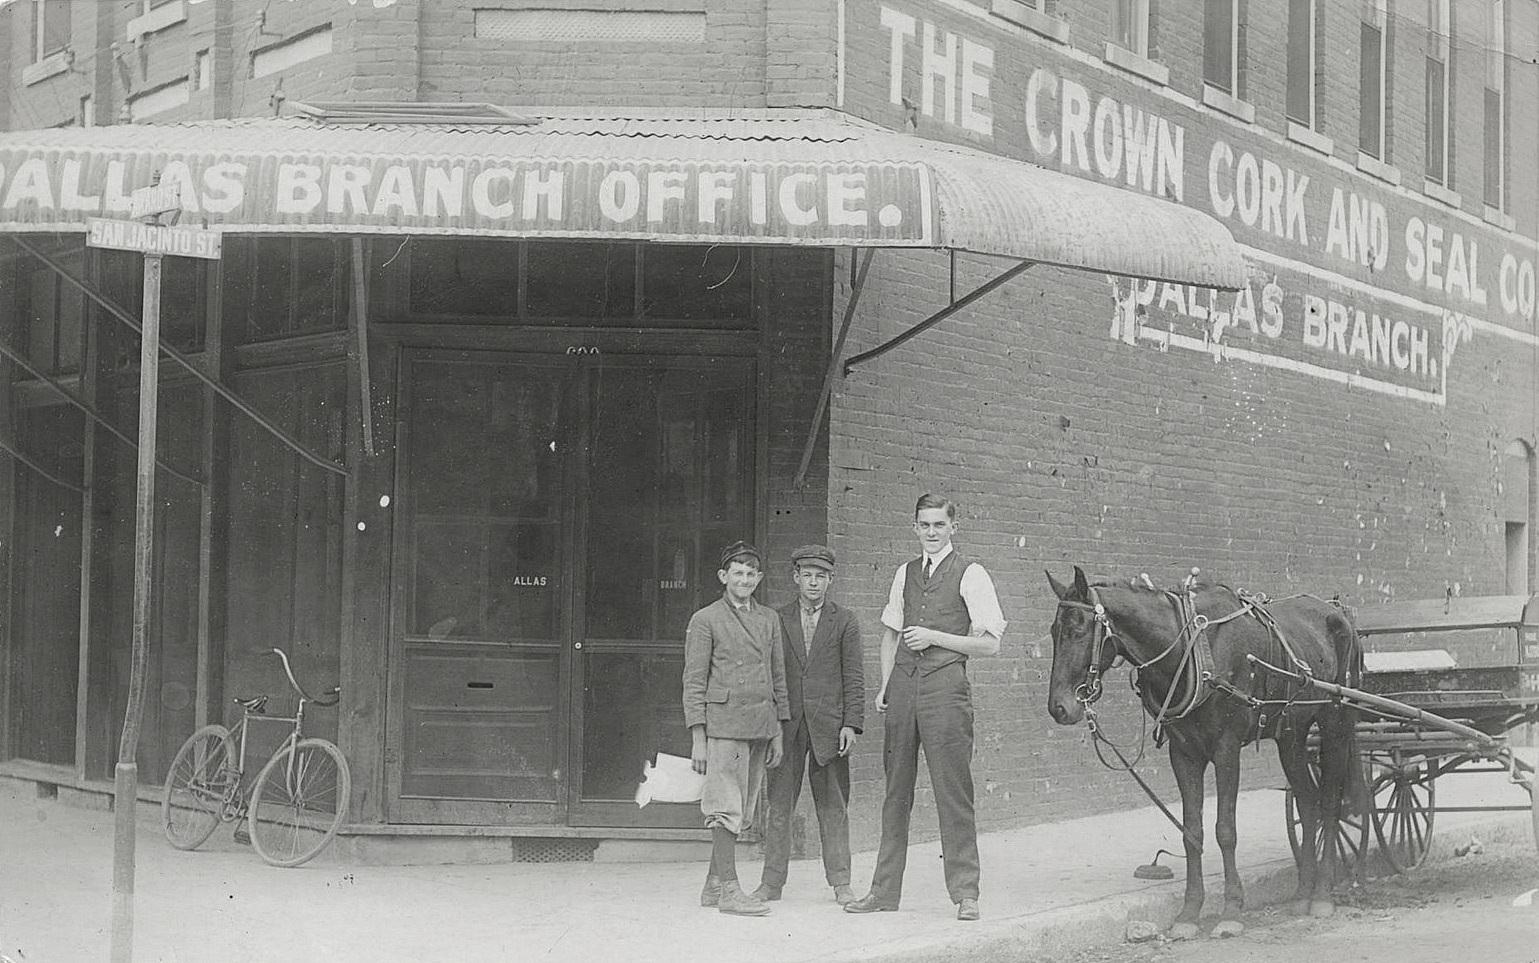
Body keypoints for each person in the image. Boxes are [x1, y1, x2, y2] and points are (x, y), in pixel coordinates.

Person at [845, 493, 1006, 922]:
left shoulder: (971, 573)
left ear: (953, 527)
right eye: (925, 525)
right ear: (914, 527)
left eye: (939, 525)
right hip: (903, 690)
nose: (932, 533)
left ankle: (965, 894)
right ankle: (883, 891)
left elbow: (990, 644)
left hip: (946, 691)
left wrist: (936, 637)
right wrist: (885, 685)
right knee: (895, 793)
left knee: (953, 793)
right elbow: (889, 635)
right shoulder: (905, 572)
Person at [751, 544, 865, 906]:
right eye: (808, 575)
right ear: (796, 577)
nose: (814, 582)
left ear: (831, 579)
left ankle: (841, 882)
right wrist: (771, 728)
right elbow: (768, 675)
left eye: (821, 576)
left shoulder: (845, 620)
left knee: (834, 807)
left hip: (829, 728)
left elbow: (854, 677)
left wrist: (851, 724)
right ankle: (771, 884)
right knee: (779, 806)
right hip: (786, 728)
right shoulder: (776, 618)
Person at [681, 540, 788, 917]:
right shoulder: (705, 619)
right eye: (736, 573)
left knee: (742, 807)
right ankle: (729, 889)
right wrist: (699, 737)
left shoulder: (769, 619)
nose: (744, 579)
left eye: (750, 573)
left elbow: (778, 676)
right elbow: (694, 681)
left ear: (758, 578)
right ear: (723, 577)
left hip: (760, 724)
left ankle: (713, 886)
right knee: (725, 806)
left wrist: (777, 728)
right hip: (724, 726)